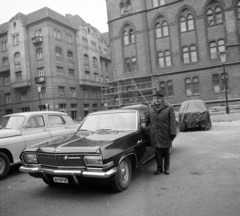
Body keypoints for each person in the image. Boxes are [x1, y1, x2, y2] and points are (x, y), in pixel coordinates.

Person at [141, 90, 177, 175]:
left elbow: (172, 122)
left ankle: (166, 168)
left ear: (162, 99)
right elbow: (147, 119)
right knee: (157, 152)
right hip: (155, 134)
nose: (156, 100)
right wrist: (143, 123)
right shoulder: (150, 107)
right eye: (155, 98)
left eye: (158, 98)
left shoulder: (169, 107)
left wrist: (172, 133)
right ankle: (159, 168)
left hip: (166, 133)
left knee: (166, 151)